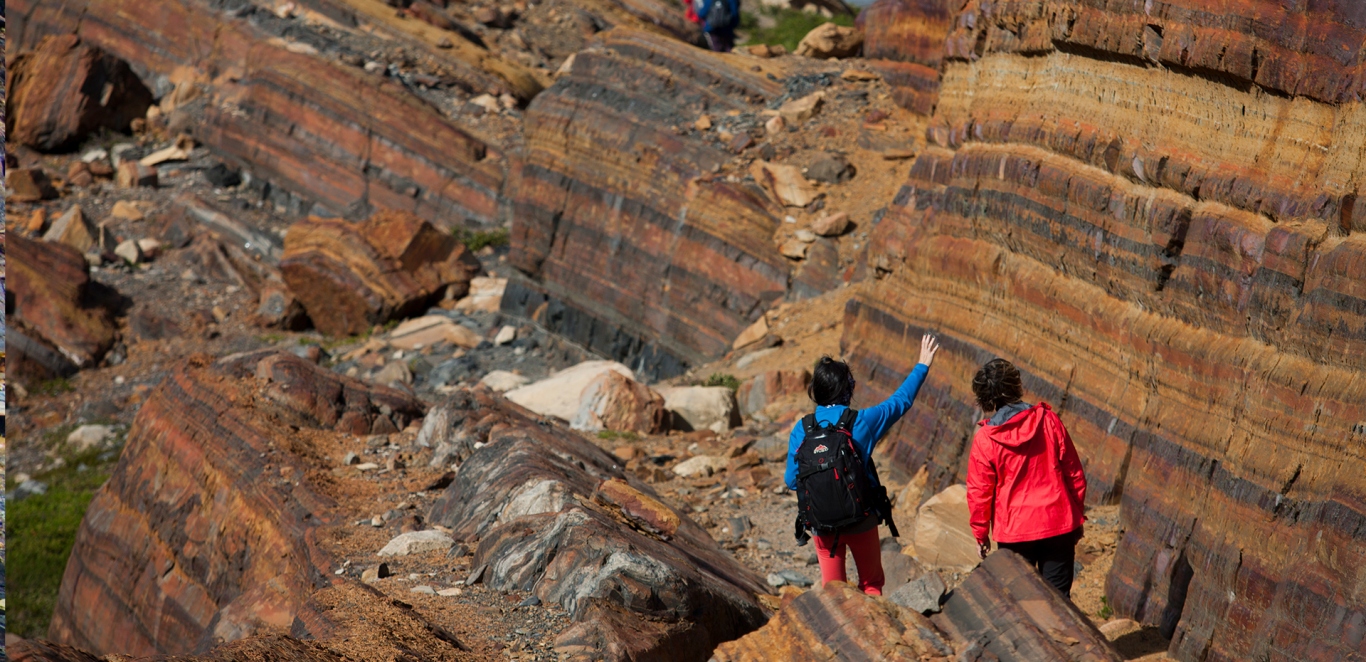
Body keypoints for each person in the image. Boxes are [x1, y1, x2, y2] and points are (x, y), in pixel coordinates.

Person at [785, 334, 940, 595]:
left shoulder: (802, 429)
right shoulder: (862, 421)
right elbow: (901, 401)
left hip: (822, 525)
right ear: (848, 390)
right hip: (861, 519)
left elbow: (791, 481)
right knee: (871, 585)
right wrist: (922, 364)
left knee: (833, 591)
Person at [966, 358, 1088, 596]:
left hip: (1014, 533)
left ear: (984, 397)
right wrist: (1076, 515)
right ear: (1016, 385)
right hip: (1057, 524)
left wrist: (980, 535)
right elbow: (1074, 474)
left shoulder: (986, 439)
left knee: (1022, 605)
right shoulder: (1048, 421)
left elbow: (979, 493)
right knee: (1059, 604)